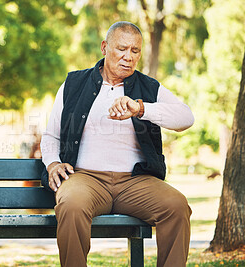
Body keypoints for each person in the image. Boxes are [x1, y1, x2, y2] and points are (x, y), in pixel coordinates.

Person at [40, 21, 194, 267]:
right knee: (71, 204)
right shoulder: (73, 84)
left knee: (176, 206)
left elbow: (186, 117)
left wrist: (141, 108)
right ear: (104, 47)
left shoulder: (149, 87)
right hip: (86, 178)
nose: (128, 57)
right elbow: (51, 136)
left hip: (135, 182)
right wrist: (53, 164)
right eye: (122, 49)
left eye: (135, 51)